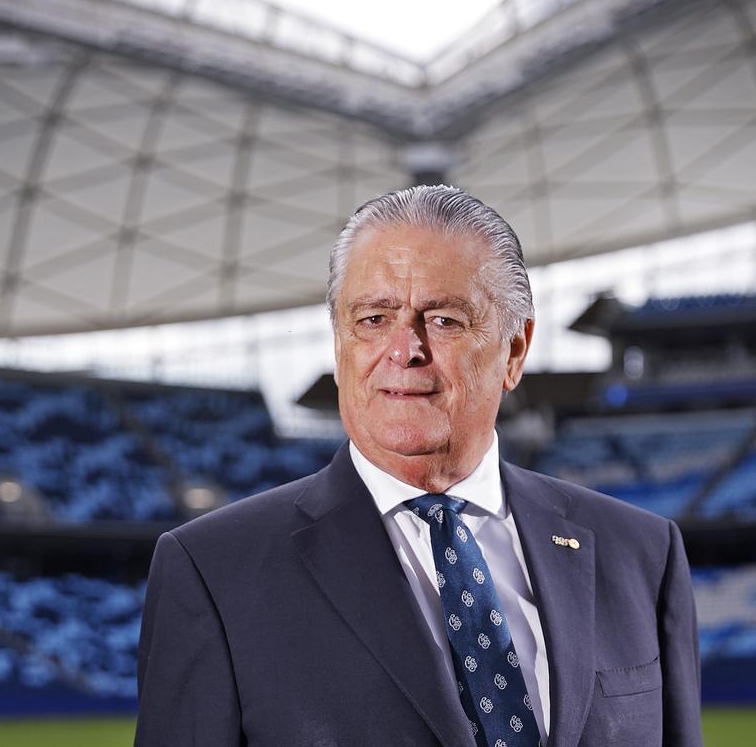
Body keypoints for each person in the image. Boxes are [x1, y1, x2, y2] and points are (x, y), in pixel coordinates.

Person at [134, 186, 703, 747]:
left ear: (514, 351)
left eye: (446, 320)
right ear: (339, 345)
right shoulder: (213, 572)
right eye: (374, 319)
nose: (404, 348)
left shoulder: (642, 556)